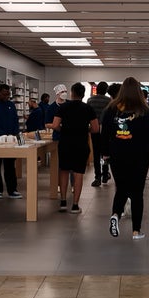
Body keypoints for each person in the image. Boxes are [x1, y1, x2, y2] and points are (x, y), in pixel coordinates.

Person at [102, 77, 149, 239]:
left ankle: (115, 214)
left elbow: (104, 133)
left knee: (121, 188)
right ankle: (136, 231)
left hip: (117, 155)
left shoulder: (111, 109)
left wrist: (105, 152)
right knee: (137, 193)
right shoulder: (145, 110)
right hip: (139, 156)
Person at [52, 82, 99, 213]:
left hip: (65, 143)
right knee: (78, 173)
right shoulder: (88, 109)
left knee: (64, 171)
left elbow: (55, 125)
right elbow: (95, 129)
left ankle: (62, 202)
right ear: (83, 94)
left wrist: (64, 129)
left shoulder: (63, 107)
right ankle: (75, 205)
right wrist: (85, 129)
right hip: (81, 144)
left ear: (71, 93)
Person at [86, 81, 112, 186]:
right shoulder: (109, 101)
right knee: (105, 153)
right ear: (106, 90)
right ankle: (105, 175)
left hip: (94, 129)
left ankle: (97, 177)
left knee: (96, 154)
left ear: (97, 89)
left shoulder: (90, 100)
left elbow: (87, 114)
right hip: (106, 131)